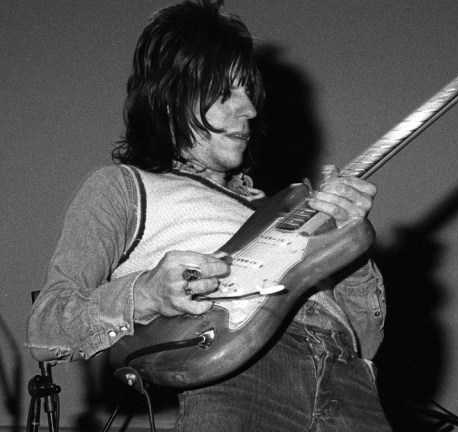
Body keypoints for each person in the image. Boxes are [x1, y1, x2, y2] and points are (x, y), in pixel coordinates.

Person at [26, 1, 392, 431]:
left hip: (350, 383)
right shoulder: (123, 186)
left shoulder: (280, 207)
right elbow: (46, 328)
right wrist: (146, 293)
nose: (250, 110)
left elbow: (367, 341)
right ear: (171, 101)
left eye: (247, 91)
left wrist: (351, 242)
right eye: (224, 94)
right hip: (244, 374)